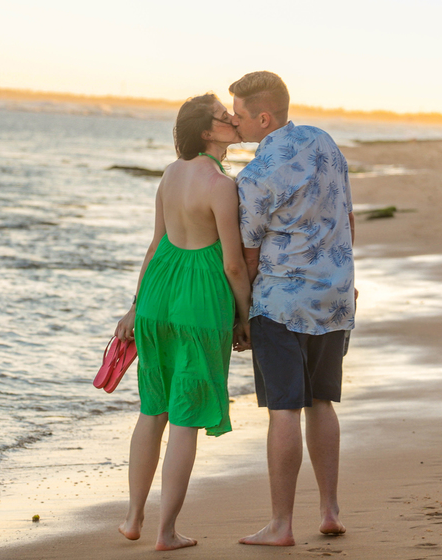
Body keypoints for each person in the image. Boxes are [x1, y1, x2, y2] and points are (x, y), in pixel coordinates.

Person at [113, 93, 253, 551]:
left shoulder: (170, 175)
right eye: (223, 116)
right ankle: (166, 532)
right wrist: (245, 317)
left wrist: (135, 306)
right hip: (199, 303)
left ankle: (133, 518)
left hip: (157, 298)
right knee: (186, 419)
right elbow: (233, 264)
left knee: (153, 411)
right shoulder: (221, 186)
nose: (233, 119)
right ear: (207, 132)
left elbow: (155, 246)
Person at [228, 71, 356, 547]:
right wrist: (345, 279)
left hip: (281, 303)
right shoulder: (323, 141)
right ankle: (329, 510)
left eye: (238, 115)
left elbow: (248, 255)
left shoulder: (256, 175)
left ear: (263, 118)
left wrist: (242, 315)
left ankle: (281, 525)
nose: (233, 122)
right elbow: (346, 217)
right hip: (334, 295)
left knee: (284, 410)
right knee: (321, 401)